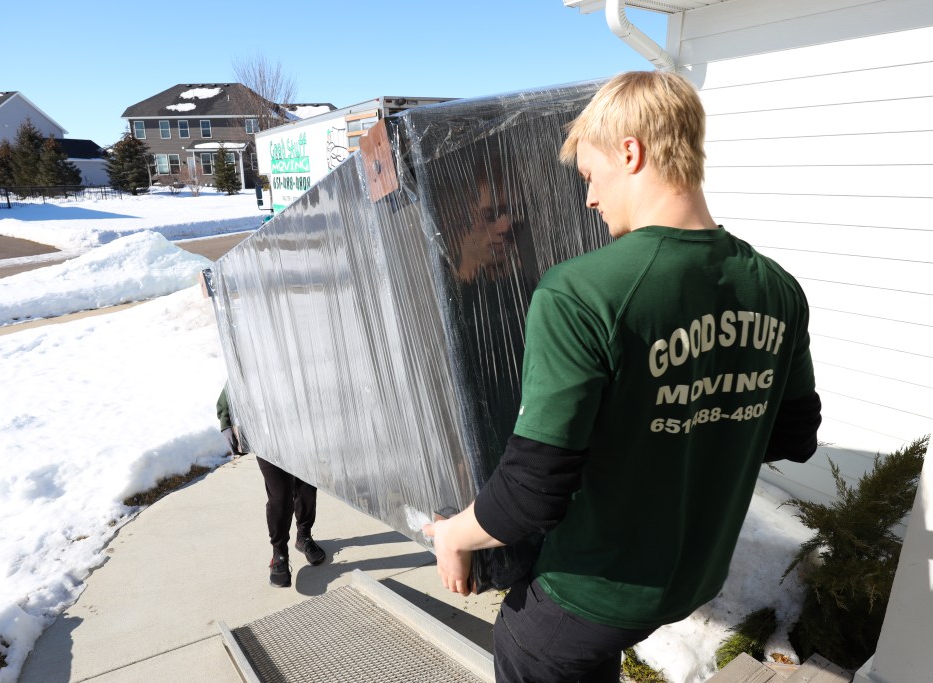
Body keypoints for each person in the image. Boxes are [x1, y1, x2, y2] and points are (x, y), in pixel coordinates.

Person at [423, 70, 822, 682]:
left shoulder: (580, 292)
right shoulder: (778, 289)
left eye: (590, 175)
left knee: (532, 641)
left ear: (630, 153)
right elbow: (793, 437)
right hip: (691, 578)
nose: (589, 198)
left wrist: (453, 534)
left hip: (592, 590)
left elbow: (532, 490)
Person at [217, 383, 326, 587]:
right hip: (265, 434)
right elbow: (233, 382)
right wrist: (226, 423)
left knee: (307, 487)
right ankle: (279, 554)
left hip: (301, 429)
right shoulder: (252, 361)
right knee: (280, 497)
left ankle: (304, 536)